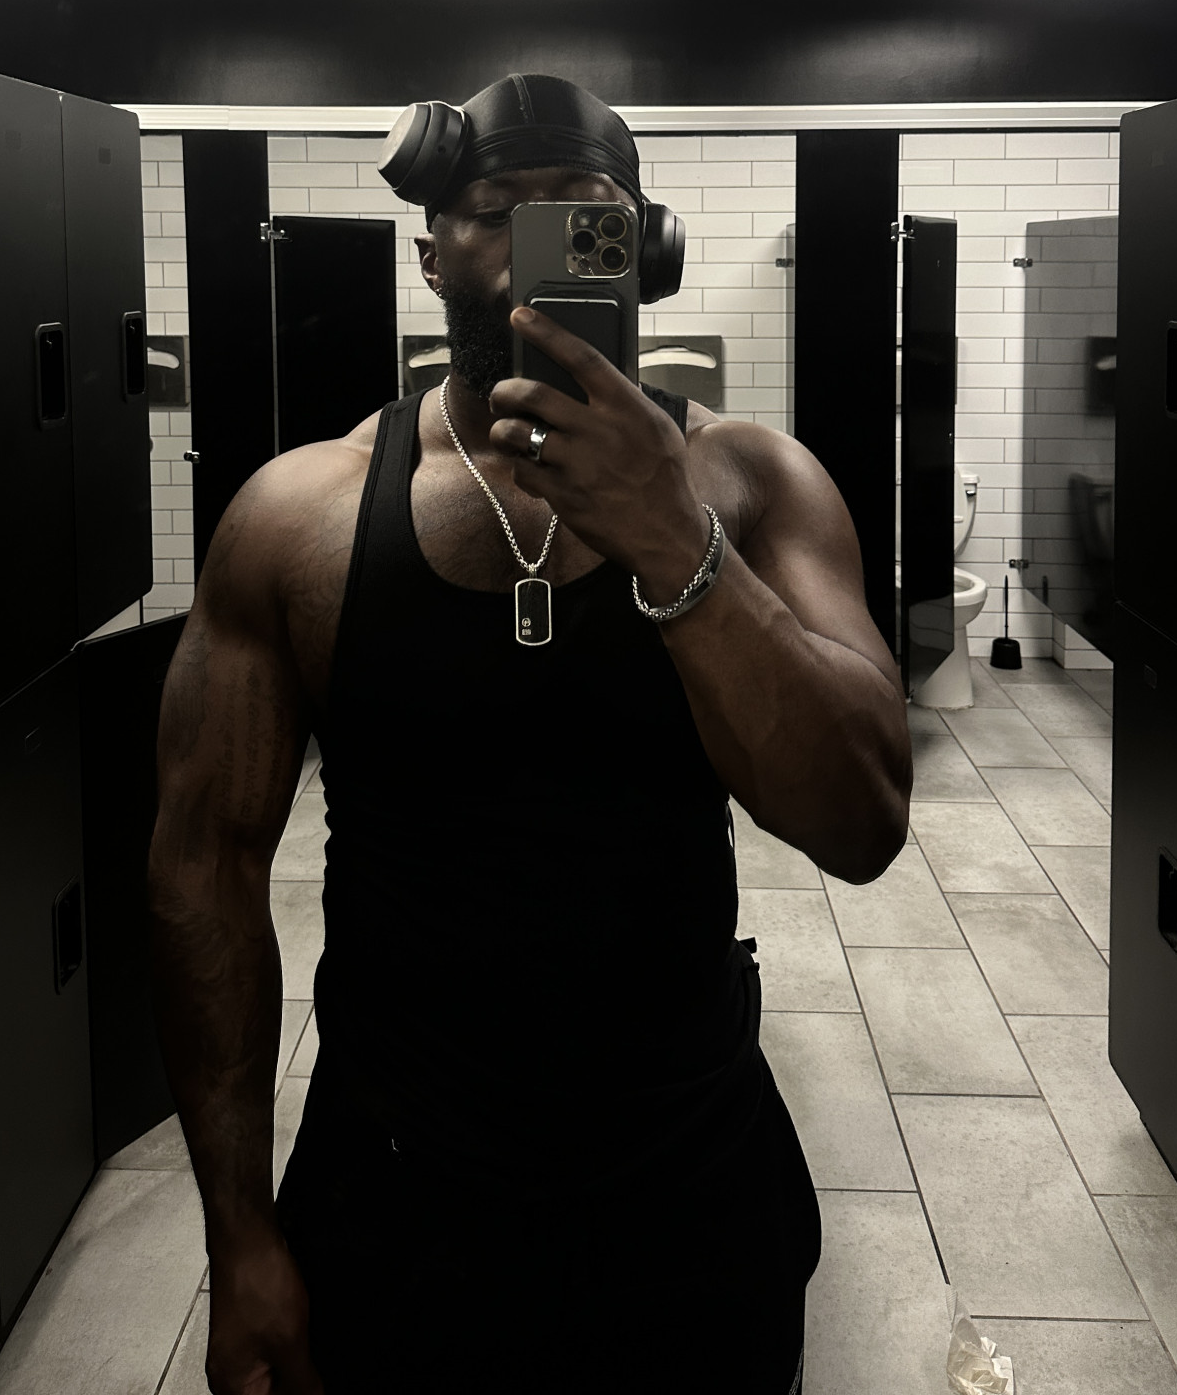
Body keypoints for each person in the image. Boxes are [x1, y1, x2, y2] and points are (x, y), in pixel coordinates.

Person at [148, 75, 911, 1395]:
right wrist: (239, 1235)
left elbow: (863, 822)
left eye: (586, 215)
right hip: (395, 1186)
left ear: (647, 252)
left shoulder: (754, 483)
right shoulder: (300, 517)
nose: (539, 248)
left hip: (691, 1179)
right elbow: (202, 872)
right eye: (499, 211)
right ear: (431, 253)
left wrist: (676, 543)